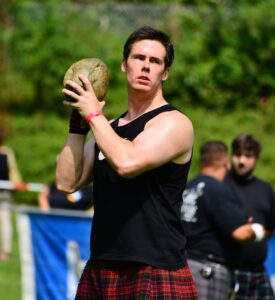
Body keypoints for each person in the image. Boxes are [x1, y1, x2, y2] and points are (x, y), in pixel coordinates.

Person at [56, 26, 197, 299]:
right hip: (102, 265)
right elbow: (66, 182)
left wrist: (93, 113)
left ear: (165, 73)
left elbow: (127, 162)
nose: (145, 66)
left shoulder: (175, 123)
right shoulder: (107, 128)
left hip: (154, 268)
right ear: (124, 65)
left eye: (155, 61)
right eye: (138, 58)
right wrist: (78, 124)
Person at [181, 140, 268, 300]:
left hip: (185, 266)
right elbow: (241, 234)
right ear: (225, 162)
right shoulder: (216, 189)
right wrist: (255, 230)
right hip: (207, 273)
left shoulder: (188, 187)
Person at [224, 134, 275, 300]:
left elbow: (270, 229)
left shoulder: (266, 189)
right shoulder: (220, 184)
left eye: (248, 156)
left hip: (258, 273)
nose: (241, 161)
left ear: (257, 159)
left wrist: (256, 231)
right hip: (228, 271)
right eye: (238, 154)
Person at [0, 128, 22, 261]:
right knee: (5, 222)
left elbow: (13, 171)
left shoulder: (8, 152)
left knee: (5, 222)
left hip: (5, 192)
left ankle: (5, 251)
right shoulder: (7, 152)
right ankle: (5, 251)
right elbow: (13, 170)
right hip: (6, 191)